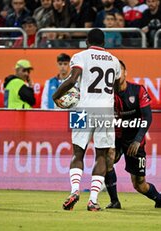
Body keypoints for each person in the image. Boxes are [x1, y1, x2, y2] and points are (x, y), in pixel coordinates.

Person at [52, 28, 121, 211]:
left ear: (87, 42)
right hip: (105, 110)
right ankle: (93, 200)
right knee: (101, 155)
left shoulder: (80, 56)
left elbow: (73, 79)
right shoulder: (114, 61)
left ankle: (74, 191)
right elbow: (116, 86)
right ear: (104, 43)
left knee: (78, 152)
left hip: (82, 109)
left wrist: (56, 95)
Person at [104, 60, 161, 209]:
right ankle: (115, 201)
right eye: (114, 72)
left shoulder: (138, 90)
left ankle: (159, 197)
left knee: (139, 184)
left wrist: (138, 140)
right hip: (116, 138)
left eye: (119, 71)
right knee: (108, 159)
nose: (117, 74)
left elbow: (148, 117)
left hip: (135, 141)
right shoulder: (106, 94)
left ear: (125, 73)